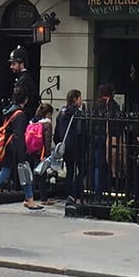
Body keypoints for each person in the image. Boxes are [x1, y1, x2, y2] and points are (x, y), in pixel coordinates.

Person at [0, 88, 39, 213]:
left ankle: (30, 200)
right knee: (10, 172)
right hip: (13, 148)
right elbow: (19, 135)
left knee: (22, 172)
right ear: (26, 100)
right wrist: (22, 154)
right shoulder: (20, 115)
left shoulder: (10, 111)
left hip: (8, 146)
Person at [55, 89, 85, 217]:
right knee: (82, 169)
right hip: (76, 145)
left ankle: (69, 194)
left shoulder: (61, 113)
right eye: (80, 98)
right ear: (75, 99)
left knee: (70, 171)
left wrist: (59, 142)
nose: (81, 100)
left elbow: (56, 132)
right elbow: (80, 130)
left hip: (65, 146)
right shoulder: (77, 113)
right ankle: (76, 193)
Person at [91, 83, 121, 203]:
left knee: (98, 165)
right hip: (108, 137)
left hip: (96, 137)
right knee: (110, 164)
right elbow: (116, 122)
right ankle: (108, 190)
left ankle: (97, 193)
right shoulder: (112, 104)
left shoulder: (95, 104)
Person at [31, 102, 55, 206]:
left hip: (33, 150)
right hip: (42, 152)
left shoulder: (34, 122)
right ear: (48, 114)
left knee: (39, 175)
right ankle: (30, 197)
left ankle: (42, 197)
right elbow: (48, 140)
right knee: (39, 175)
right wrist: (48, 155)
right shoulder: (47, 124)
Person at [8, 46, 40, 120]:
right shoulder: (22, 78)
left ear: (22, 63)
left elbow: (20, 102)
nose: (11, 66)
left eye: (14, 64)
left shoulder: (24, 80)